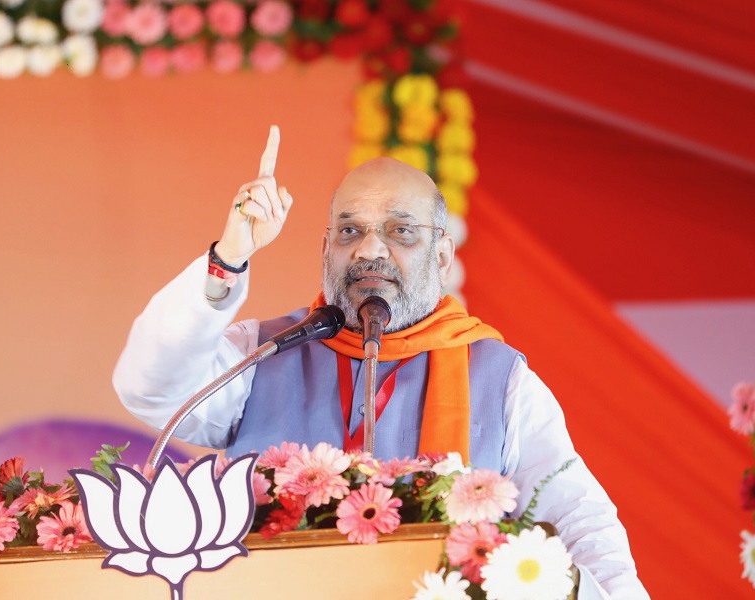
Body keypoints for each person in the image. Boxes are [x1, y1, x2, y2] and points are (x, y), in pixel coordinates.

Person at [114, 126, 650, 599]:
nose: (371, 250)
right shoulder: (266, 351)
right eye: (350, 231)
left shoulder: (500, 380)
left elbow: (581, 524)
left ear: (441, 257)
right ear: (326, 250)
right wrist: (228, 259)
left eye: (400, 230)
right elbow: (152, 388)